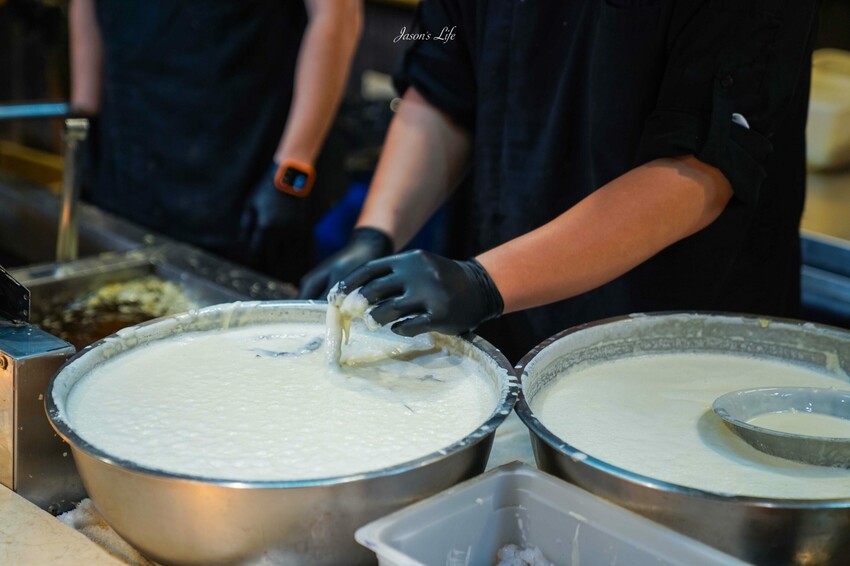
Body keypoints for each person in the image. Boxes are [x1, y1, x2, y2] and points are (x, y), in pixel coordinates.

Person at [299, 0, 821, 362]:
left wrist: (484, 282)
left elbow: (704, 167)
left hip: (677, 341)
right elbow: (442, 79)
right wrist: (377, 231)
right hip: (508, 316)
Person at [68, 0, 362, 283]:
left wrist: (291, 170)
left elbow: (337, 18)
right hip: (128, 158)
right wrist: (84, 120)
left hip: (244, 174)